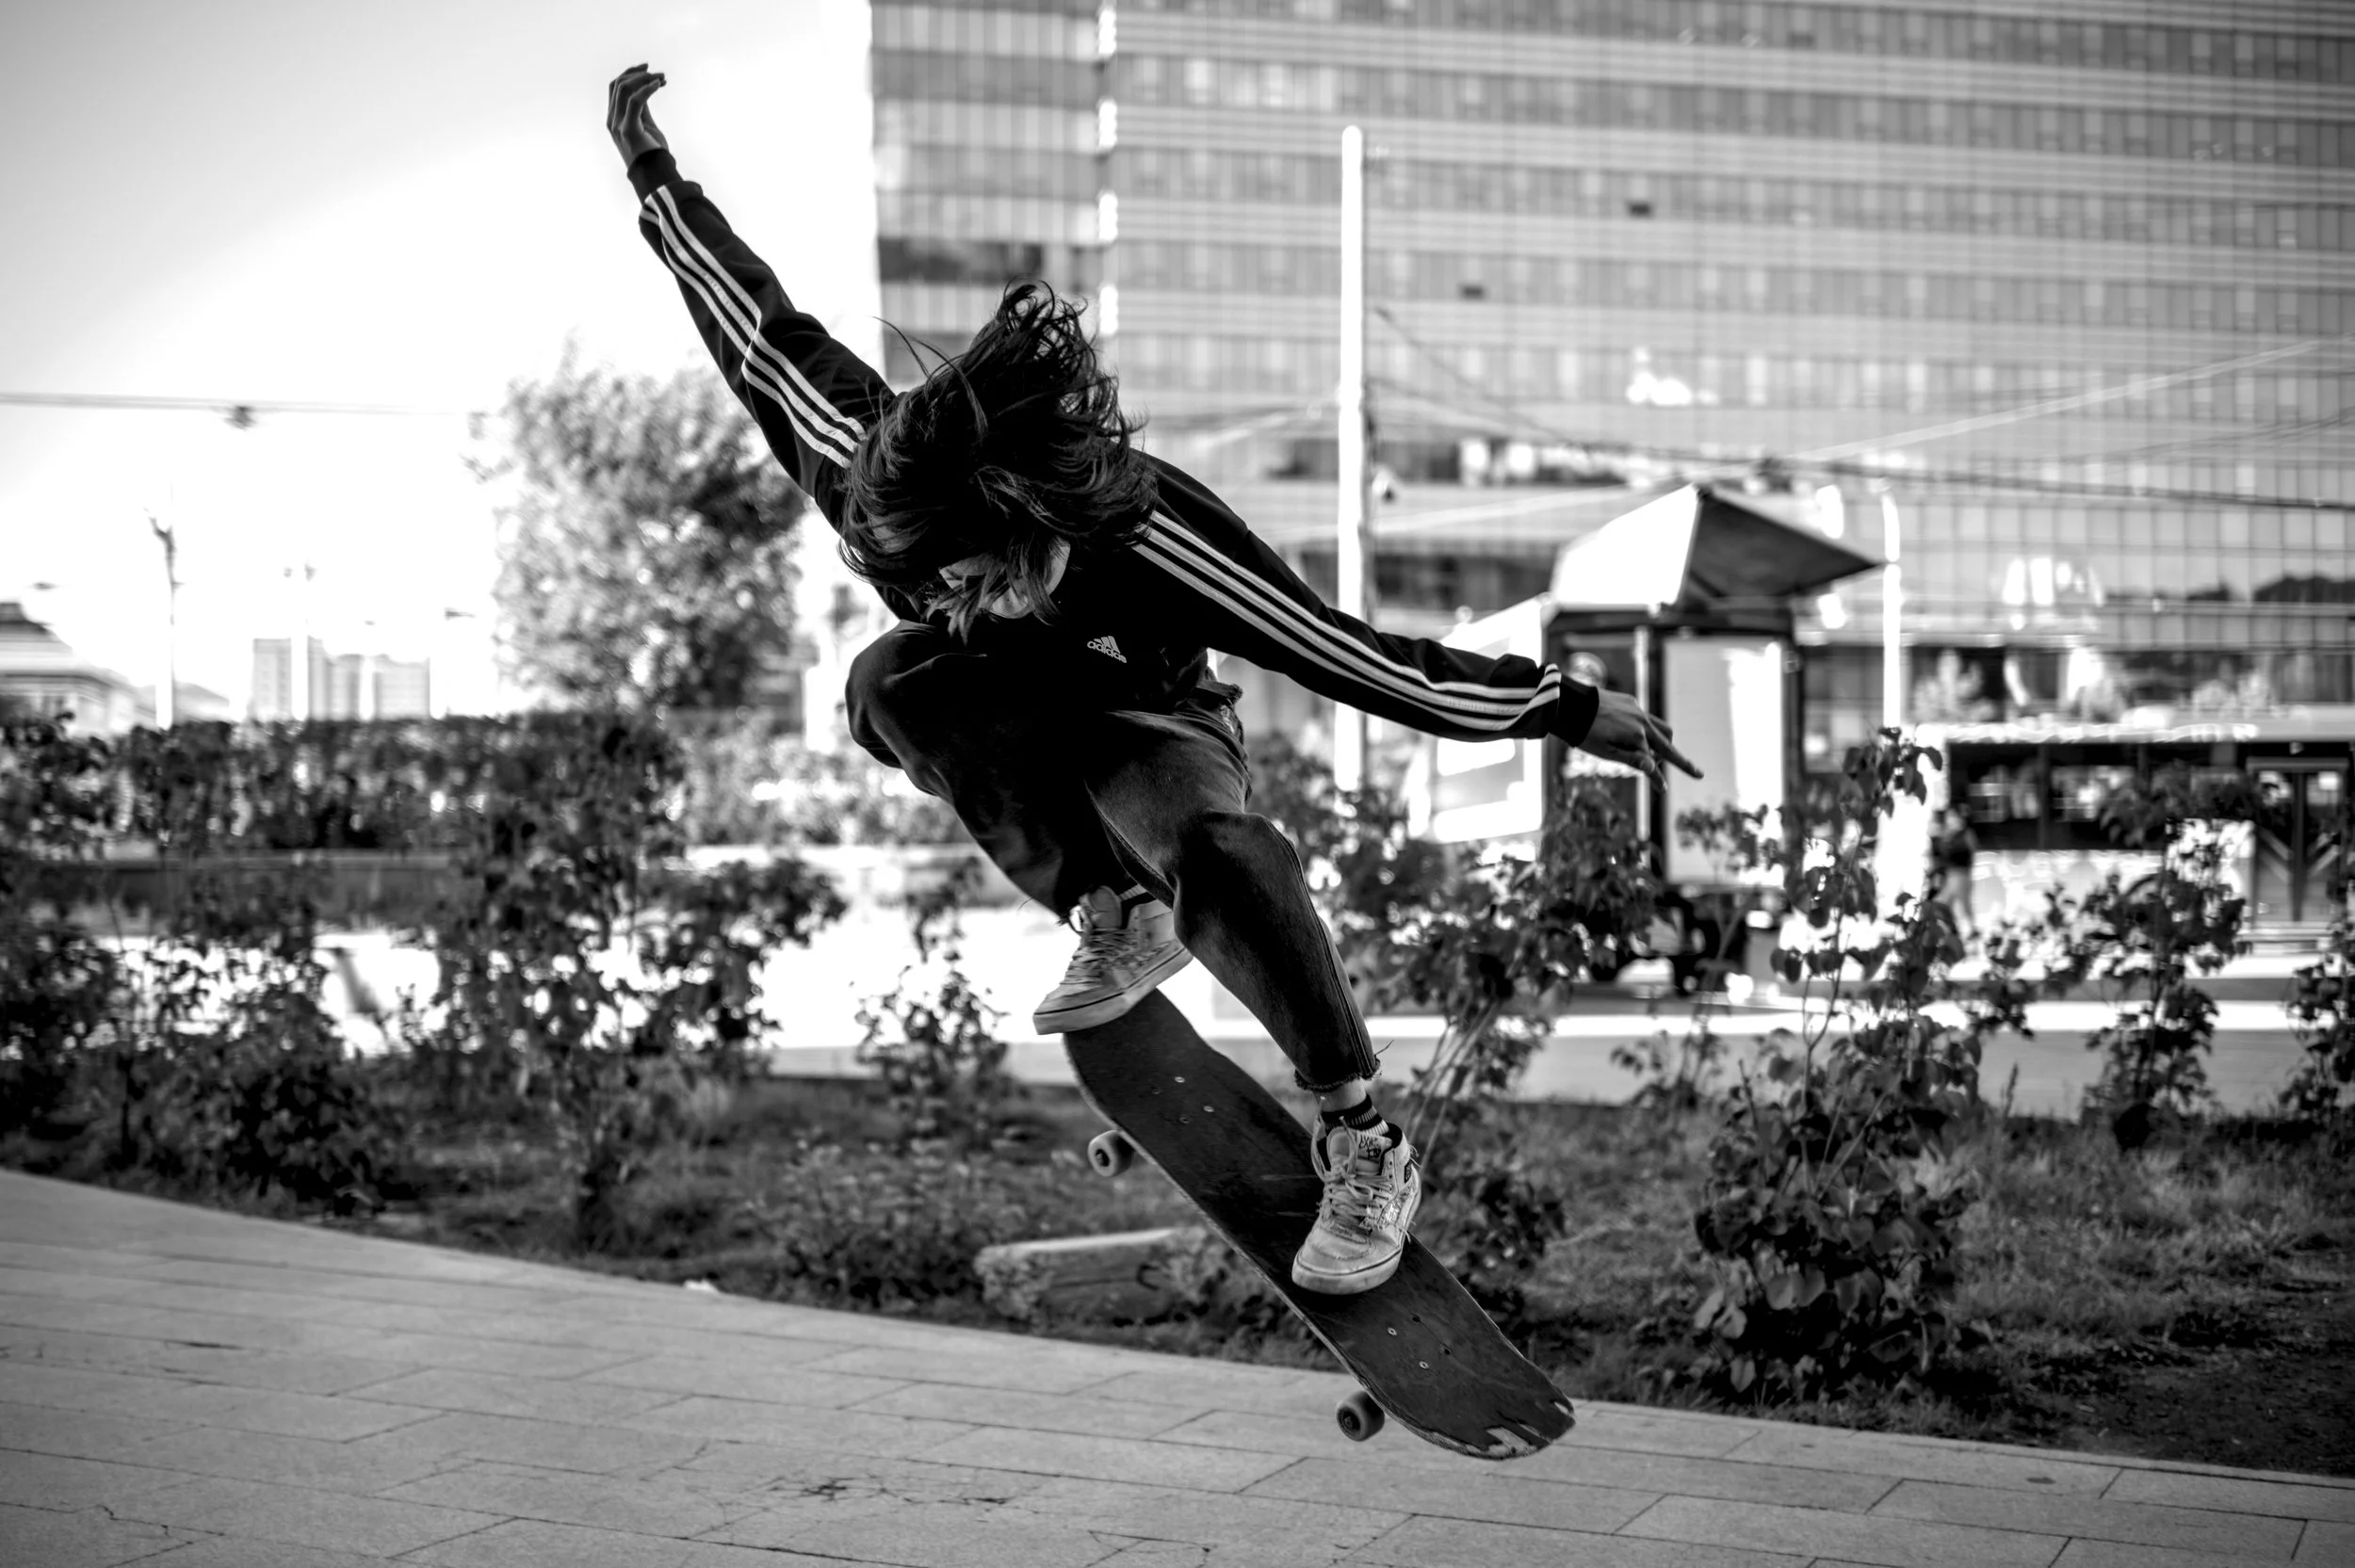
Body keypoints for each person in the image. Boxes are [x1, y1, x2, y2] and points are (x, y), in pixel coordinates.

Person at [605, 66, 1697, 1295]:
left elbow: (1344, 654)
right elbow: (761, 337)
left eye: (976, 578)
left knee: (1220, 851)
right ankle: (1112, 911)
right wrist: (656, 179)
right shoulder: (875, 476)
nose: (955, 598)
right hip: (1016, 721)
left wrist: (1563, 705)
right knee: (890, 678)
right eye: (936, 580)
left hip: (1153, 721)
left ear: (1033, 527)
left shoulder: (1153, 533)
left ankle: (1362, 1138)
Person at [1929, 806, 1979, 936]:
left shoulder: (1965, 834)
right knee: (1944, 904)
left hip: (1961, 874)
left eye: (1953, 816)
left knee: (1961, 904)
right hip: (1951, 875)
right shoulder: (1947, 835)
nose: (1950, 819)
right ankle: (1953, 929)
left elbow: (1972, 853)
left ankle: (1970, 930)